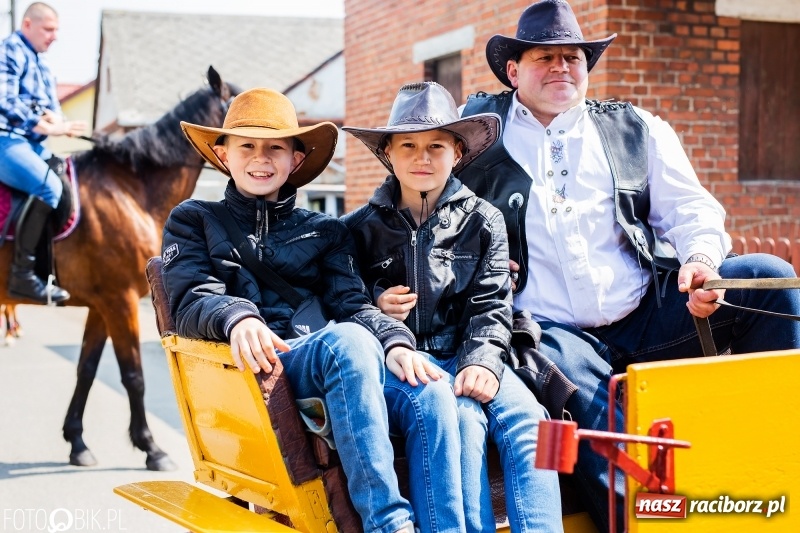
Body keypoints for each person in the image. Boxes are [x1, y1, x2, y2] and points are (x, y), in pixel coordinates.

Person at [458, 0, 800, 531]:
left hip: (645, 314)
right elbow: (419, 206)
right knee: (598, 415)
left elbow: (691, 210)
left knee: (771, 280)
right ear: (513, 70)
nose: (561, 68)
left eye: (572, 57)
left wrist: (701, 263)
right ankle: (650, 523)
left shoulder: (635, 127)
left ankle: (771, 461)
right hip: (550, 330)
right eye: (543, 57)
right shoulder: (475, 137)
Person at [161, 86, 463, 533]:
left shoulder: (325, 231)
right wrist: (238, 315)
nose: (261, 159)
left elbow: (352, 303)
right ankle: (389, 523)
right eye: (247, 146)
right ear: (224, 154)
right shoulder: (193, 219)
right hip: (263, 364)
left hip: (335, 359)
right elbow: (189, 298)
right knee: (349, 341)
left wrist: (396, 343)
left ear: (295, 161)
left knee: (433, 391)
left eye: (275, 148)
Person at [342, 81, 563, 533]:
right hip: (406, 361)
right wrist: (377, 303)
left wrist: (483, 359)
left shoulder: (484, 221)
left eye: (436, 146)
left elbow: (493, 303)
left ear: (458, 153)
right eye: (409, 145)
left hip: (467, 351)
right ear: (388, 153)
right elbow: (344, 300)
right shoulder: (358, 229)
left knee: (533, 424)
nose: (423, 158)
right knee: (461, 418)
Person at [0, 2, 86, 303]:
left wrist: (62, 124)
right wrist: (43, 124)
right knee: (48, 187)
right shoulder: (9, 49)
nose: (54, 36)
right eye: (48, 29)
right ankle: (22, 275)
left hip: (33, 143)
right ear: (27, 25)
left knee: (68, 182)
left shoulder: (41, 63)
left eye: (56, 30)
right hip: (6, 140)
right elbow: (5, 100)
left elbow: (49, 108)